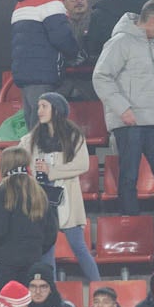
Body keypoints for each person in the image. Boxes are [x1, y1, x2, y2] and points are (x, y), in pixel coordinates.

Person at [93, 0, 154, 216]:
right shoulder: (120, 42)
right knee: (129, 177)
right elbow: (101, 77)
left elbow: (146, 82)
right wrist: (123, 109)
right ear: (151, 20)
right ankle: (130, 227)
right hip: (129, 123)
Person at [25, 92, 100, 282]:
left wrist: (53, 170)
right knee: (47, 251)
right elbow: (19, 153)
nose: (39, 110)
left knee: (78, 246)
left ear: (56, 109)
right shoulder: (34, 136)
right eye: (39, 106)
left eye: (44, 106)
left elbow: (82, 165)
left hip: (66, 198)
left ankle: (99, 287)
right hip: (42, 199)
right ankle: (51, 296)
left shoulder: (73, 135)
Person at [12, 0, 83, 125]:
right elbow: (61, 36)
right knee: (45, 129)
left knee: (33, 127)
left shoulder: (21, 3)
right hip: (44, 75)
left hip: (25, 76)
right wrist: (76, 54)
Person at [0, 146, 61, 294]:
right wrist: (35, 248)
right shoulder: (40, 190)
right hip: (33, 260)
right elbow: (51, 232)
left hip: (5, 263)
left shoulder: (3, 189)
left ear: (5, 164)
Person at [84, 0, 152, 65]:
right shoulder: (151, 5)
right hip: (147, 70)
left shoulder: (100, 11)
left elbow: (93, 48)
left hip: (113, 73)